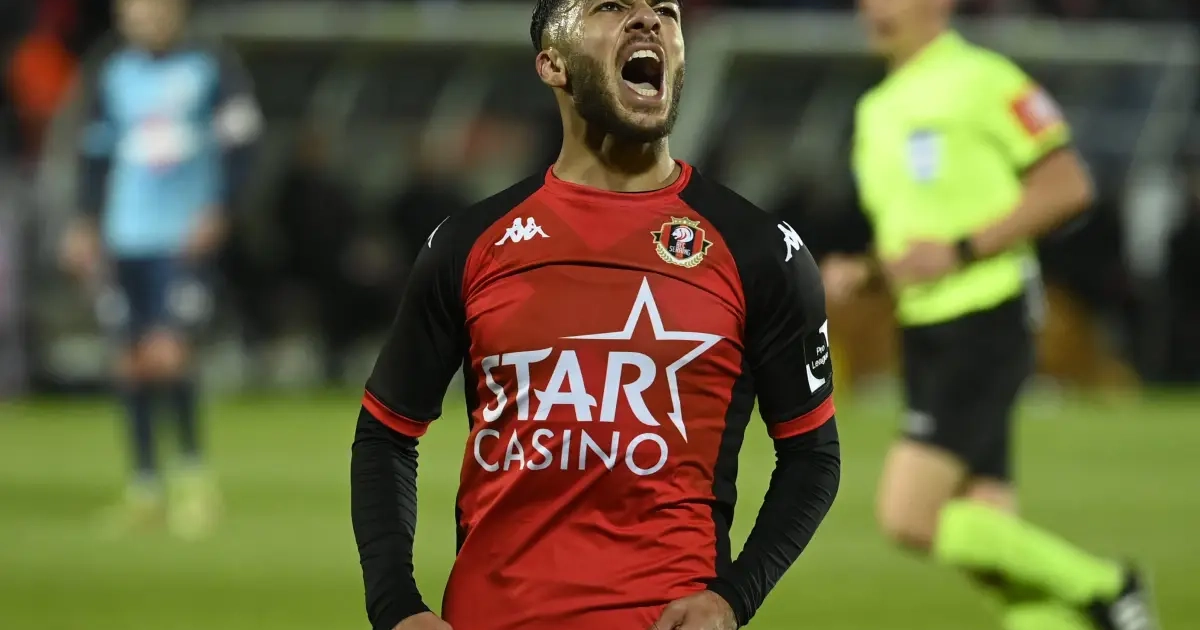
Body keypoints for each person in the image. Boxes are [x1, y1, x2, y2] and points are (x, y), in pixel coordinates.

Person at [349, 0, 842, 628]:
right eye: (611, 5)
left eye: (665, 10)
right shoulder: (469, 244)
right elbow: (386, 433)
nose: (648, 20)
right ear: (552, 64)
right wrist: (396, 608)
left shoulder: (759, 250)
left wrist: (733, 597)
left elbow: (812, 455)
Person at [824, 1, 1159, 629]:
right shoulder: (877, 108)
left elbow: (1067, 185)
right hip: (923, 325)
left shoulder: (984, 80)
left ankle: (1109, 587)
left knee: (908, 516)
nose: (873, 7)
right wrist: (865, 273)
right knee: (992, 541)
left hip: (985, 315)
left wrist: (963, 250)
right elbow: (916, 240)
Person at [59, 0, 260, 539]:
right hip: (126, 237)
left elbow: (243, 144)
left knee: (168, 353)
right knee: (129, 361)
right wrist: (84, 222)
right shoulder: (114, 75)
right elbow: (94, 154)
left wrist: (220, 208)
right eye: (133, 10)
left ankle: (194, 481)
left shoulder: (210, 68)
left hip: (183, 239)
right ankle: (145, 489)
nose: (142, 18)